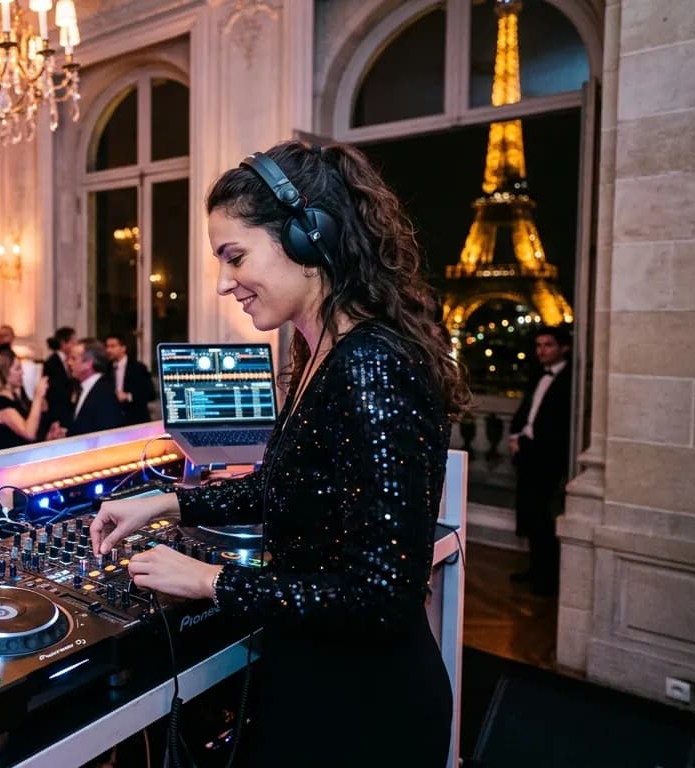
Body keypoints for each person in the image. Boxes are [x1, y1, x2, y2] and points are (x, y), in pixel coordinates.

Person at [90, 141, 468, 766]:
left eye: (234, 256)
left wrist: (211, 580)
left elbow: (382, 597)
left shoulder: (372, 366)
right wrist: (169, 503)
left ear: (306, 236)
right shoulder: (320, 351)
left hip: (364, 710)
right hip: (317, 677)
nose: (221, 282)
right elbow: (288, 486)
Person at [508, 325, 572, 596]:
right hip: (528, 451)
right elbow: (528, 410)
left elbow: (559, 426)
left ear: (563, 348)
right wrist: (516, 434)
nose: (541, 351)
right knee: (531, 515)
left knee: (543, 517)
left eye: (548, 345)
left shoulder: (570, 380)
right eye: (538, 346)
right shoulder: (538, 375)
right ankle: (536, 569)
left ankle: (548, 577)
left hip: (547, 456)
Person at [0, 351, 49, 451]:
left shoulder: (16, 397)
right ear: (5, 373)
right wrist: (37, 396)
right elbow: (29, 433)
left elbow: (42, 412)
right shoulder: (0, 402)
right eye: (17, 369)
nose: (22, 373)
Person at [54, 338, 123, 437]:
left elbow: (104, 435)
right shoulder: (82, 388)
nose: (69, 363)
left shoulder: (104, 393)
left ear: (88, 364)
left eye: (73, 358)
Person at [104, 334, 157, 424]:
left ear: (123, 348)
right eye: (107, 346)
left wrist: (128, 396)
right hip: (114, 420)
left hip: (135, 419)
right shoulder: (106, 368)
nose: (108, 350)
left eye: (113, 346)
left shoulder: (138, 368)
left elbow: (150, 394)